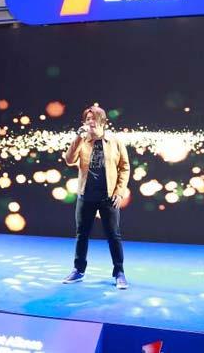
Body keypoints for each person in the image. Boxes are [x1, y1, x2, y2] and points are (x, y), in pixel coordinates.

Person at [62, 106, 130, 289]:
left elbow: (124, 167)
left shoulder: (115, 141)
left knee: (113, 235)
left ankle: (119, 272)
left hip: (108, 197)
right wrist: (78, 137)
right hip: (86, 195)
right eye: (87, 118)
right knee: (82, 234)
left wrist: (119, 192)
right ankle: (78, 270)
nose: (90, 121)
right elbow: (69, 159)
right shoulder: (82, 140)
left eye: (93, 118)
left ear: (102, 121)